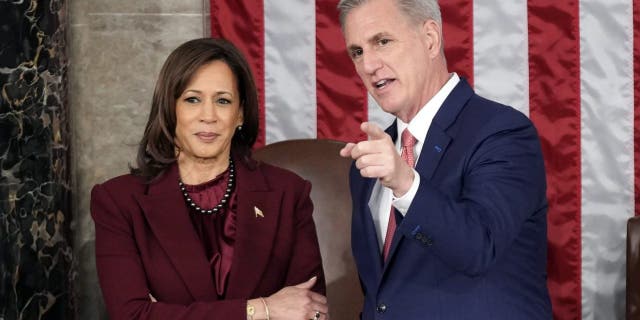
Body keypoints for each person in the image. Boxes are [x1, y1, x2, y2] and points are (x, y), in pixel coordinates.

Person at [337, 0, 552, 319]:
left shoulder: (503, 133)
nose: (368, 65)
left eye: (382, 41)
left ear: (430, 39)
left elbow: (480, 246)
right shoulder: (371, 164)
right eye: (357, 52)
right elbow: (381, 295)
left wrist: (405, 184)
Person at [90, 38, 329, 320]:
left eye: (223, 101)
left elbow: (308, 311)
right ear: (170, 108)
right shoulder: (118, 202)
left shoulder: (289, 193)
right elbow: (132, 315)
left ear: (240, 114)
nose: (208, 116)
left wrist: (165, 312)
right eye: (193, 99)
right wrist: (262, 309)